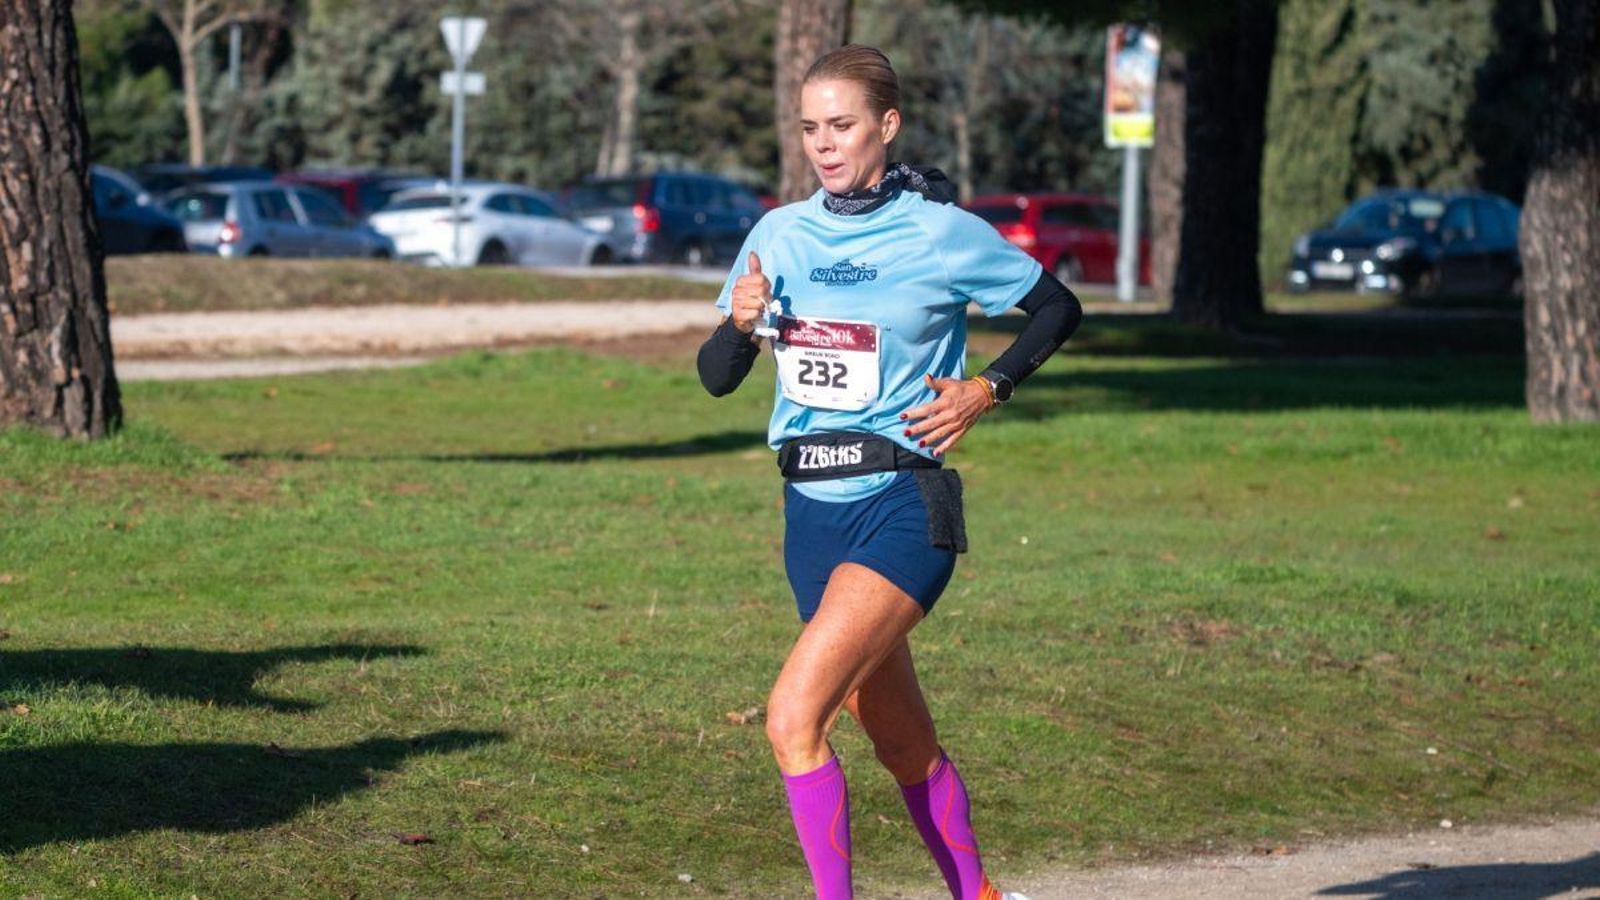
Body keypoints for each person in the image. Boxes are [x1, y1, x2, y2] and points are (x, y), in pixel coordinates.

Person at [697, 44, 1081, 900]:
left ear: (887, 124)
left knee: (794, 719)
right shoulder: (777, 235)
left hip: (903, 504)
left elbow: (1059, 304)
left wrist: (988, 387)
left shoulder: (938, 230)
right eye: (809, 130)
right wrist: (741, 325)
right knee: (903, 744)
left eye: (841, 126)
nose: (824, 146)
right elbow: (718, 375)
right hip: (810, 517)